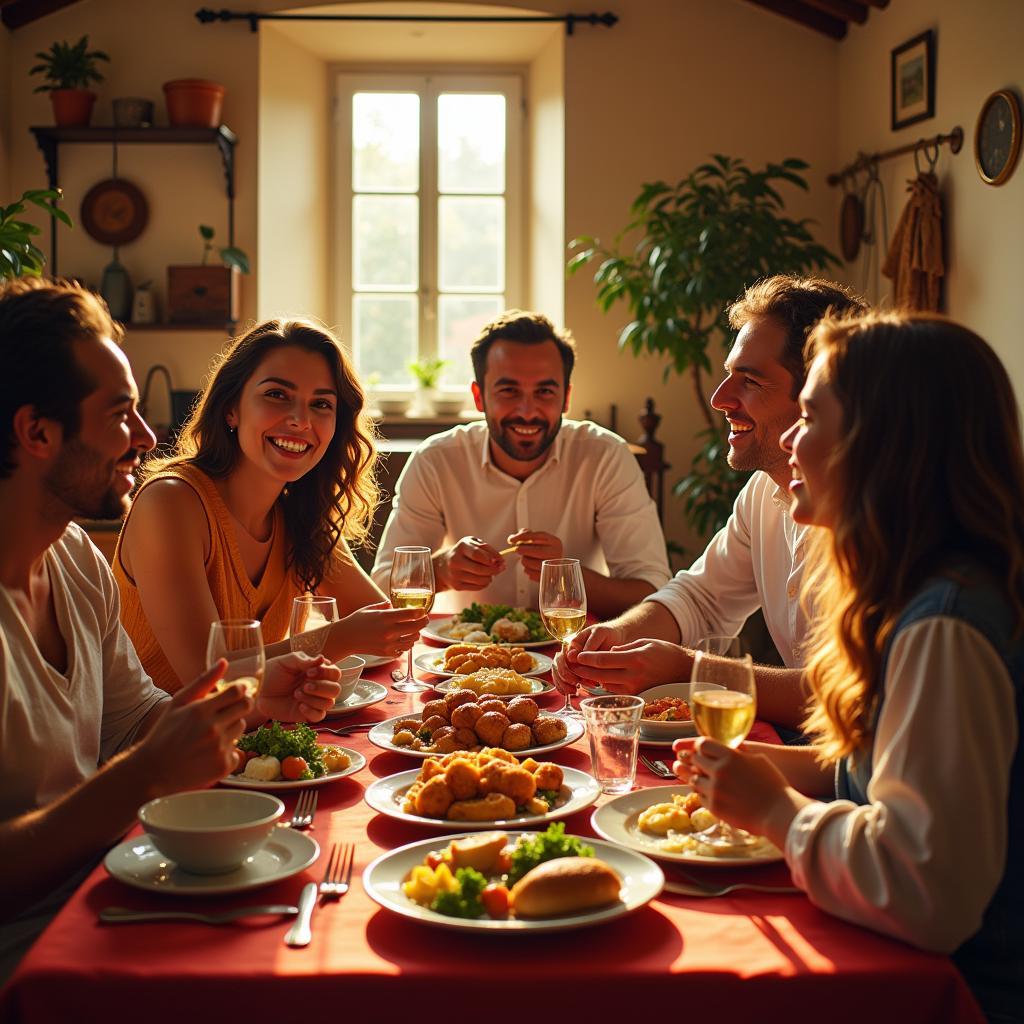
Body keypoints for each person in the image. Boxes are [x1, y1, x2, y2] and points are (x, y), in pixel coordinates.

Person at [673, 313, 1023, 1022]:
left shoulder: (945, 628)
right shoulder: (907, 590)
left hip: (957, 993)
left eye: (808, 417)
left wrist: (772, 809)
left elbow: (929, 893)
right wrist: (747, 774)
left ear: (885, 445)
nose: (790, 441)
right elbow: (875, 777)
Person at [0, 278, 341, 978]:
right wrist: (142, 778)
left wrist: (246, 705)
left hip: (119, 891)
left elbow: (135, 721)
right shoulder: (165, 507)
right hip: (35, 957)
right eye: (120, 414)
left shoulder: (72, 561)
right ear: (37, 432)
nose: (147, 437)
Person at [553, 276, 866, 729]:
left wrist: (693, 671)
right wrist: (617, 636)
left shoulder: (876, 515)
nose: (721, 399)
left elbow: (858, 694)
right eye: (728, 374)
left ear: (818, 394)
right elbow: (700, 598)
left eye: (751, 381)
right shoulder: (762, 492)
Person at [114, 318, 429, 693]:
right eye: (277, 395)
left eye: (321, 404)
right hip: (159, 745)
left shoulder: (301, 514)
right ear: (231, 407)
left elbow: (385, 628)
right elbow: (207, 679)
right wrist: (337, 638)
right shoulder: (170, 503)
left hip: (257, 738)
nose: (300, 420)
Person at [371, 309, 670, 617]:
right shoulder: (435, 460)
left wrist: (568, 576)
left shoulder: (606, 456)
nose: (527, 411)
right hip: (462, 653)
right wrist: (440, 571)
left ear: (566, 398)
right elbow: (379, 590)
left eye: (544, 391)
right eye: (509, 391)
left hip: (573, 653)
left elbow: (652, 591)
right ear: (479, 396)